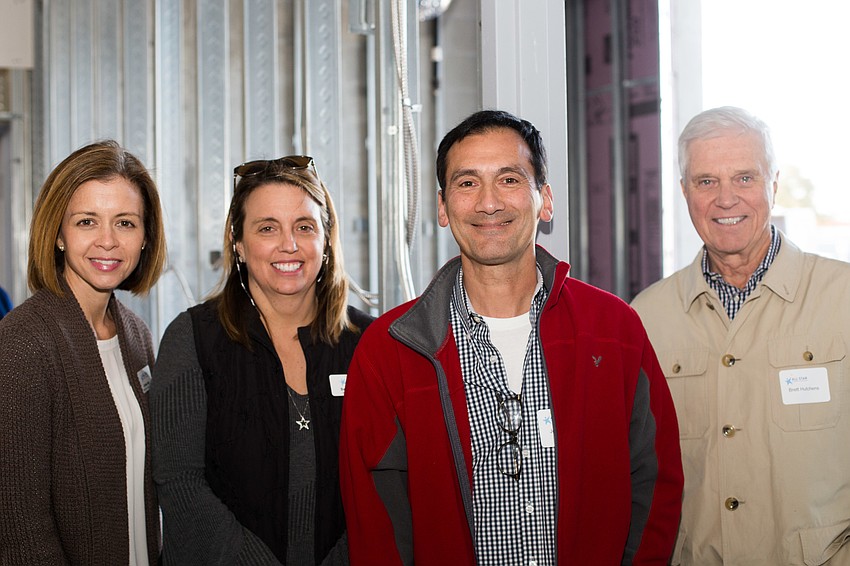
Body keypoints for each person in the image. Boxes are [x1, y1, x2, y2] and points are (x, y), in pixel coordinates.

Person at [339, 110, 684, 565]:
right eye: (467, 183)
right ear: (442, 208)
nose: (488, 203)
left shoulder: (613, 330)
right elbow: (375, 519)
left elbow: (655, 482)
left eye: (508, 179)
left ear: (545, 200)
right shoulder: (390, 350)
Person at [631, 106, 850, 565]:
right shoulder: (645, 318)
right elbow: (636, 478)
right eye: (706, 181)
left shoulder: (842, 297)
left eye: (745, 178)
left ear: (774, 184)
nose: (726, 199)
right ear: (684, 191)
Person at [151, 155, 373, 565]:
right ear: (237, 242)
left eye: (304, 227)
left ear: (327, 239)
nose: (289, 244)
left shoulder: (368, 344)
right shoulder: (193, 339)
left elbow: (384, 483)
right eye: (267, 228)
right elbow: (180, 484)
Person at [0, 140, 167, 564]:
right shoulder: (23, 342)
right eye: (87, 221)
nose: (107, 241)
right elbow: (20, 529)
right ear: (58, 234)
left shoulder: (137, 336)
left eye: (125, 223)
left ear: (145, 237)